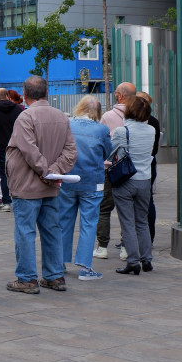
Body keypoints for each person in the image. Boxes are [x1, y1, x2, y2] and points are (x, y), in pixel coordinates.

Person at [5, 75, 77, 295]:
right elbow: (71, 151)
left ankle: (27, 279)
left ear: (24, 95)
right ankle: (55, 276)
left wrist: (46, 172)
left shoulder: (25, 117)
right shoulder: (61, 117)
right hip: (50, 185)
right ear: (47, 93)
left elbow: (29, 150)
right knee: (52, 231)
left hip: (27, 186)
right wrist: (54, 172)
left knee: (25, 232)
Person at [58, 96, 112, 281]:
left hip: (68, 178)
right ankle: (85, 267)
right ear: (97, 112)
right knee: (89, 223)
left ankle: (60, 263)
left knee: (64, 221)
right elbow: (107, 152)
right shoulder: (102, 130)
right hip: (92, 181)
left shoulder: (67, 124)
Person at [112, 95, 157, 275]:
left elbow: (113, 153)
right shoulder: (151, 130)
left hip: (125, 180)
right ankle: (147, 259)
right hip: (145, 180)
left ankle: (132, 261)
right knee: (142, 221)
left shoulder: (121, 131)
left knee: (127, 223)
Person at [94, 82, 136, 259]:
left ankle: (102, 247)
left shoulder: (108, 116)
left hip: (110, 169)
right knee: (128, 210)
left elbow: (100, 143)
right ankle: (126, 247)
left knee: (104, 209)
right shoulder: (141, 116)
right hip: (133, 170)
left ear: (119, 96)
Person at [137, 91, 162, 245]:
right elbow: (155, 149)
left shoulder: (138, 123)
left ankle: (137, 239)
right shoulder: (154, 122)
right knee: (148, 201)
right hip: (149, 165)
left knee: (139, 204)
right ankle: (149, 238)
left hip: (140, 167)